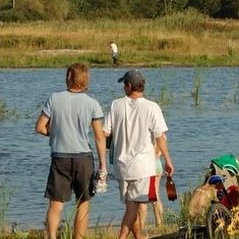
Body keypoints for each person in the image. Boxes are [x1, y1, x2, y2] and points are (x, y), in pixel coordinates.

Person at [35, 62, 107, 239]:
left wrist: (56, 134)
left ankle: (51, 237)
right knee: (83, 202)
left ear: (69, 76)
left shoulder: (54, 98)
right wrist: (103, 165)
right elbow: (99, 137)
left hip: (60, 157)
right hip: (84, 158)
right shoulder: (92, 103)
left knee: (56, 203)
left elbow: (40, 127)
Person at [103, 69, 174, 239]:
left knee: (130, 205)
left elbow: (105, 133)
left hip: (121, 167)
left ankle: (140, 237)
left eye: (123, 85)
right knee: (133, 206)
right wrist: (168, 160)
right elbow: (160, 137)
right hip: (143, 167)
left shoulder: (115, 105)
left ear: (128, 86)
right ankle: (122, 236)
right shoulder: (152, 107)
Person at [138, 134, 165, 228]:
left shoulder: (144, 133)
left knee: (143, 197)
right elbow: (162, 148)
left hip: (148, 166)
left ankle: (141, 226)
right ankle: (159, 223)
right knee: (156, 195)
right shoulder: (161, 133)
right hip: (157, 163)